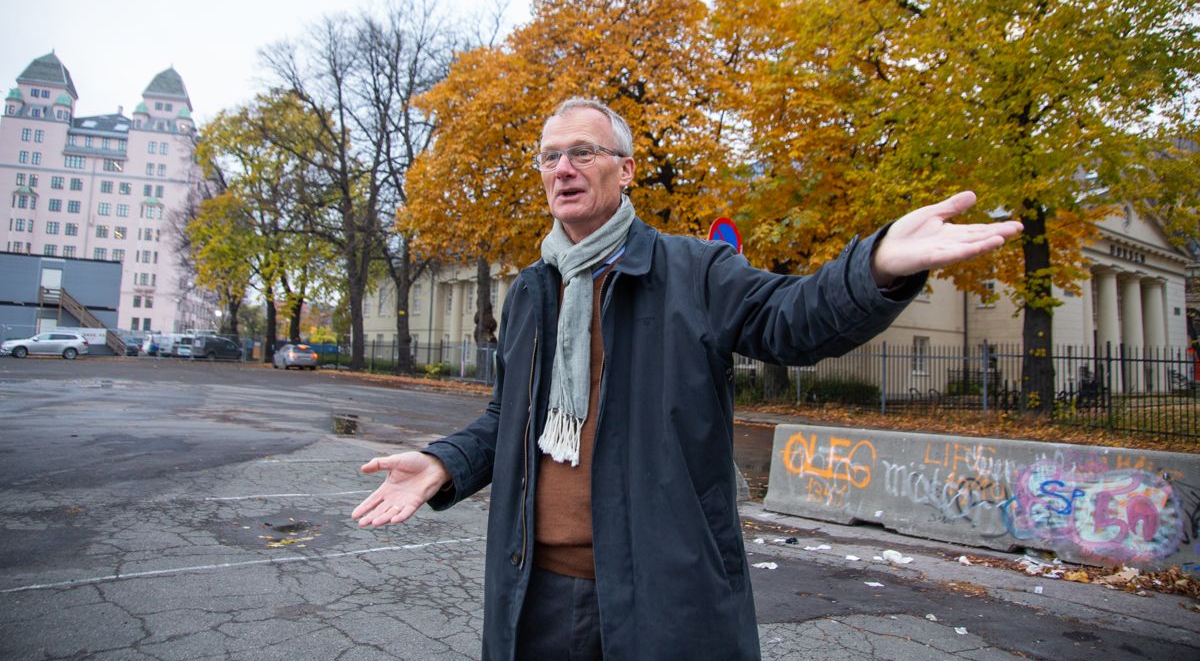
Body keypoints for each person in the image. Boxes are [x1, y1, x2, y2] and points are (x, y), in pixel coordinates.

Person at [352, 98, 1023, 660]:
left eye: (583, 152)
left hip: (662, 600)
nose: (563, 168)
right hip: (538, 596)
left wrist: (875, 267)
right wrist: (444, 464)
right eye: (549, 157)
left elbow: (793, 319)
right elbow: (509, 419)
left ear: (627, 168)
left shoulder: (694, 272)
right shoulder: (532, 291)